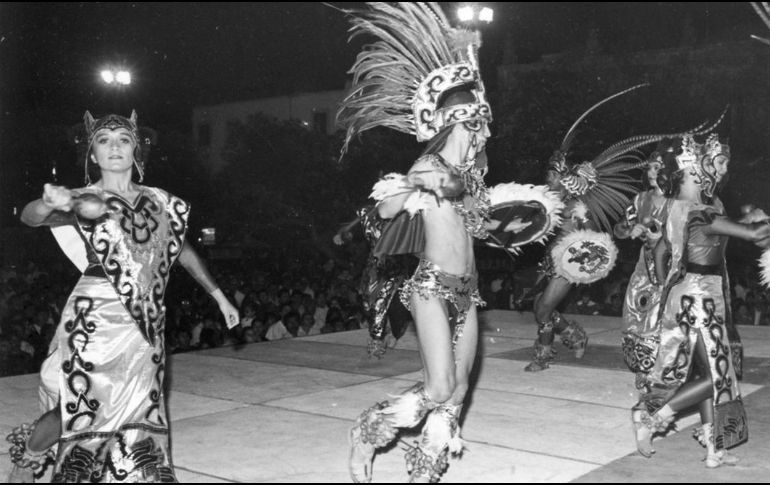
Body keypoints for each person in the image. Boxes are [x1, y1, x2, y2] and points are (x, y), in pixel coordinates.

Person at [335, 3, 524, 482]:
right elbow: (384, 207)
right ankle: (368, 429)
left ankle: (424, 472)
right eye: (476, 125)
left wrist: (510, 226)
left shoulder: (473, 179)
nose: (483, 134)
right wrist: (419, 191)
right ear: (459, 123)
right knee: (439, 385)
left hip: (469, 292)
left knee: (458, 391)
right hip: (431, 289)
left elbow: (479, 225)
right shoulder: (429, 166)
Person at [6, 111, 239, 482]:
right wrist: (50, 202)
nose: (114, 146)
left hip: (145, 322)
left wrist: (219, 295)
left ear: (136, 152)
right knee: (82, 402)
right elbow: (31, 219)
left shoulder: (162, 203)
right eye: (104, 140)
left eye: (123, 139)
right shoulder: (84, 199)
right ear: (93, 155)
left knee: (138, 406)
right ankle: (29, 459)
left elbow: (181, 251)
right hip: (94, 317)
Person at [632, 133, 770, 467]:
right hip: (700, 298)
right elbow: (754, 236)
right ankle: (651, 420)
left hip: (687, 292)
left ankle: (713, 449)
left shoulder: (675, 208)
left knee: (707, 371)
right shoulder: (701, 212)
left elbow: (663, 251)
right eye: (719, 164)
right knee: (716, 375)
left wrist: (669, 283)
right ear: (695, 170)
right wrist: (761, 222)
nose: (722, 171)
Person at [617, 150, 668, 379]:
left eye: (658, 167)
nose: (652, 172)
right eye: (650, 167)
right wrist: (629, 230)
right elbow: (618, 229)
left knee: (660, 319)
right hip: (643, 269)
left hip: (670, 269)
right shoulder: (640, 200)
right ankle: (643, 368)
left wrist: (665, 238)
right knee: (635, 315)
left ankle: (658, 372)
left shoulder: (679, 201)